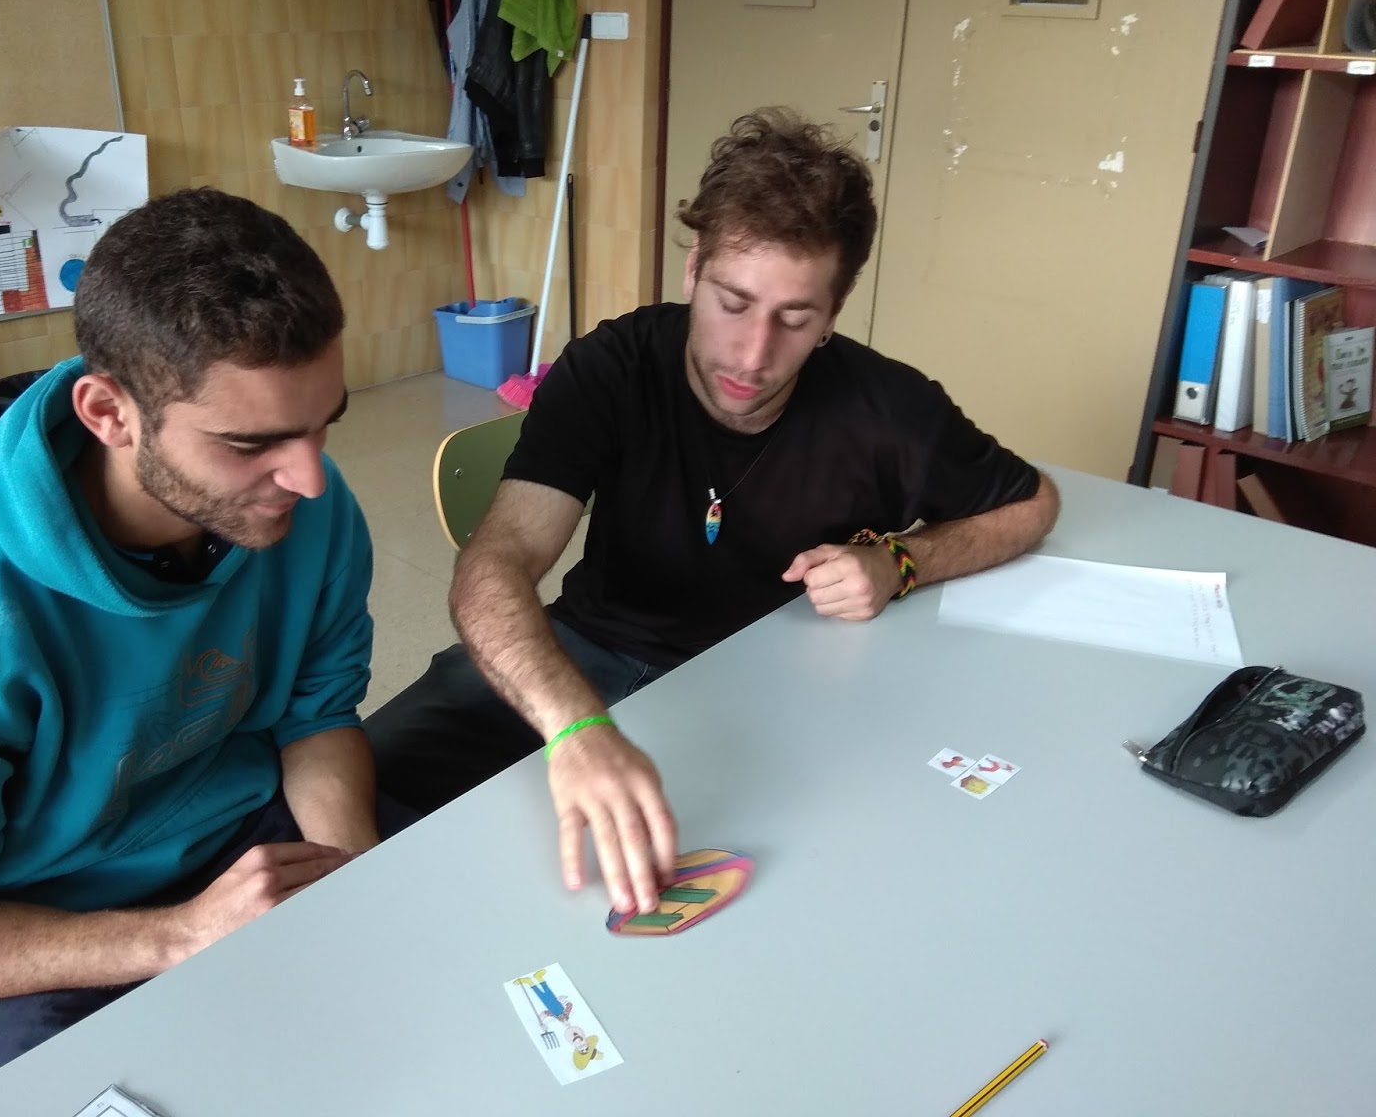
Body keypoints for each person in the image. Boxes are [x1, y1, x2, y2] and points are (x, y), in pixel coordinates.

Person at [365, 108, 1060, 918]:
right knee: (347, 802)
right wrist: (576, 730)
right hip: (585, 654)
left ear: (833, 314)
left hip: (770, 683)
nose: (753, 355)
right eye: (734, 302)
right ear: (694, 269)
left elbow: (1031, 502)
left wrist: (902, 562)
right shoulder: (614, 367)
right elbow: (495, 564)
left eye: (795, 319)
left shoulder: (886, 410)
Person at [0, 188, 397, 1092]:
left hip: (249, 832)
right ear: (109, 413)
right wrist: (183, 935)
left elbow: (315, 716)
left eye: (324, 424)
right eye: (250, 444)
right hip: (47, 921)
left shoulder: (301, 507)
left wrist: (354, 883)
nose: (309, 479)